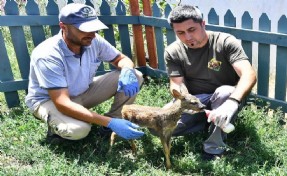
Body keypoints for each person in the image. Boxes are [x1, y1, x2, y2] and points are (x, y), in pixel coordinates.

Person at [25, 3, 144, 142]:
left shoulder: (93, 40)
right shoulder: (47, 54)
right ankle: (56, 132)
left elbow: (121, 59)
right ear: (63, 27)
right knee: (78, 130)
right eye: (85, 29)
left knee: (135, 75)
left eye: (94, 28)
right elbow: (62, 102)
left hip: (80, 92)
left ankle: (113, 122)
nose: (92, 34)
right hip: (49, 101)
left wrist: (127, 69)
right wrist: (107, 121)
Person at [164, 5, 257, 159]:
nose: (187, 37)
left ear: (203, 24)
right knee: (160, 126)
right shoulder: (173, 51)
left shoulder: (224, 42)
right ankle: (209, 121)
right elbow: (176, 83)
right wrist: (184, 100)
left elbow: (249, 73)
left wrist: (232, 102)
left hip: (225, 97)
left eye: (191, 30)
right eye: (180, 32)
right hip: (195, 99)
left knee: (225, 92)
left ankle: (213, 147)